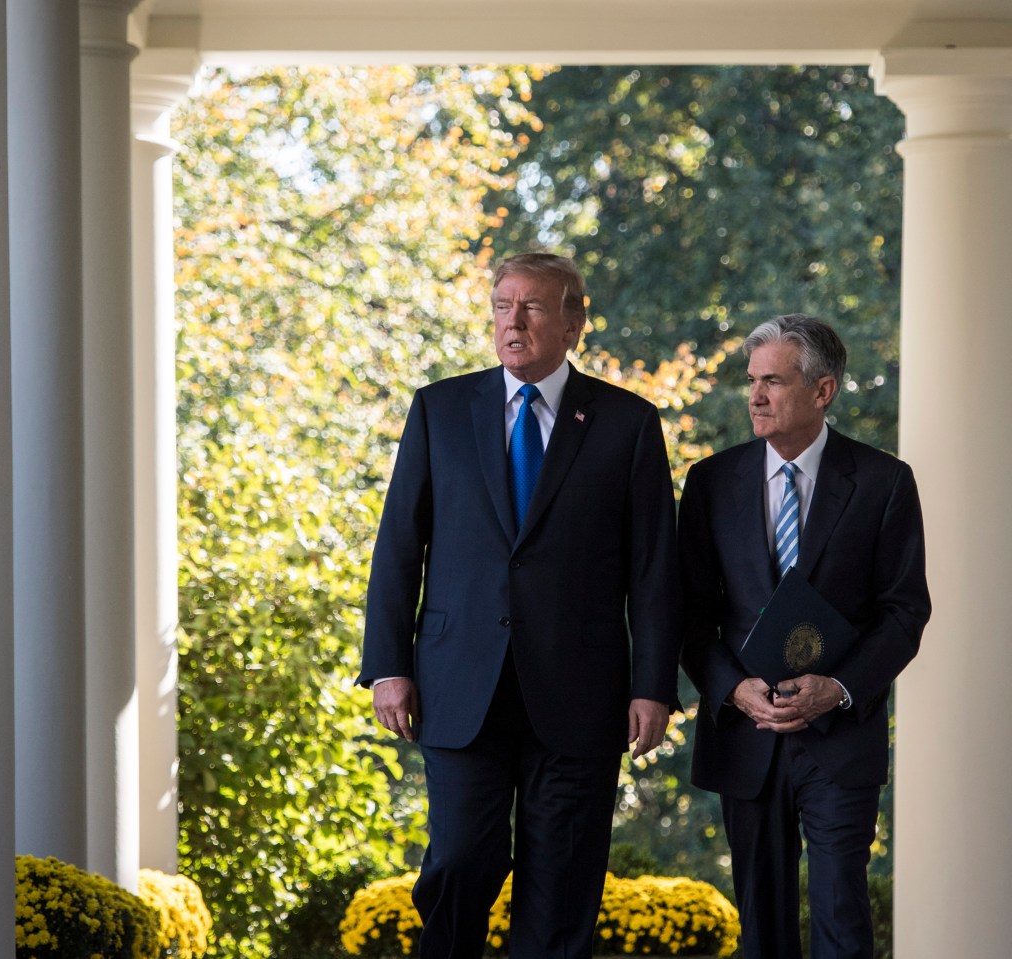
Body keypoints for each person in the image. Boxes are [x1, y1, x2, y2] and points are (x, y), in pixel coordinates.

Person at [359, 252, 682, 959]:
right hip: (458, 684)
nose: (514, 322)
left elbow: (655, 569)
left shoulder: (627, 423)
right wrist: (387, 664)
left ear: (574, 323)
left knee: (562, 884)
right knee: (459, 859)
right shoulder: (440, 409)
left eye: (532, 307)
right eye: (503, 306)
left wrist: (653, 685)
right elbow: (399, 545)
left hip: (580, 692)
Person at [678, 314, 930, 959]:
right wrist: (734, 690)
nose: (756, 396)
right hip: (747, 735)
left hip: (840, 738)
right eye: (752, 381)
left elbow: (904, 612)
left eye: (773, 382)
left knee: (842, 917)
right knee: (762, 926)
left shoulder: (884, 482)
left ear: (823, 391)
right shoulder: (710, 482)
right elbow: (688, 613)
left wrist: (838, 688)